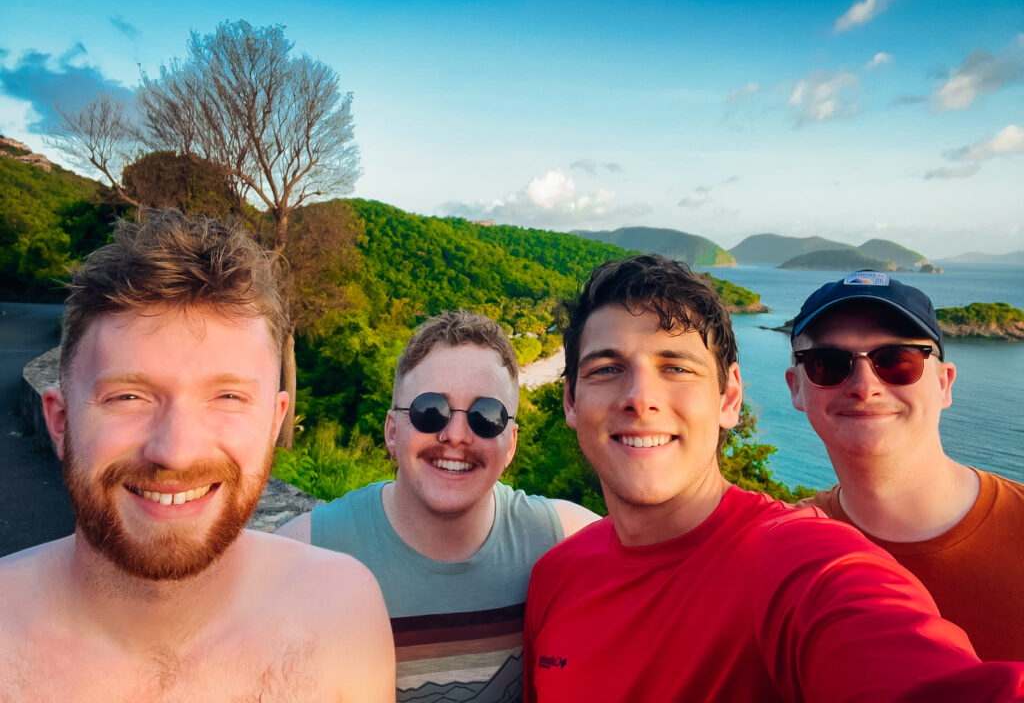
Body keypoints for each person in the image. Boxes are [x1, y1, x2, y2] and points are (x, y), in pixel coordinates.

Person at [524, 254, 1024, 702]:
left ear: (729, 398)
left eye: (676, 368)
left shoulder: (800, 560)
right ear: (570, 400)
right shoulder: (555, 577)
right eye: (606, 369)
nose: (640, 397)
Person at [0, 209, 394, 701]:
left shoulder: (344, 615)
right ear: (60, 421)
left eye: (227, 397)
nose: (176, 451)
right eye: (128, 397)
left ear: (275, 423)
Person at [278, 309, 599, 702]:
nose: (456, 435)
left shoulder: (561, 541)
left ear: (511, 443)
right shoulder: (307, 553)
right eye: (431, 411)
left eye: (486, 416)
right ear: (392, 431)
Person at [786, 270, 1024, 661]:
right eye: (828, 363)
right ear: (796, 387)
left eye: (897, 360)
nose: (864, 385)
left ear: (945, 384)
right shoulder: (783, 551)